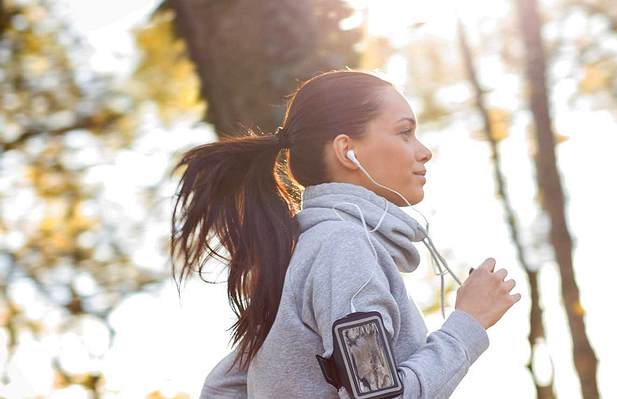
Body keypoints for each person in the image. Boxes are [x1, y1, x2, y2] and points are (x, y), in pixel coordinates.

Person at [169, 69, 521, 398]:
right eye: (404, 132)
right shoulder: (343, 248)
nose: (424, 151)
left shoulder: (304, 252)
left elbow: (225, 386)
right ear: (347, 151)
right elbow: (377, 394)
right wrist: (468, 323)